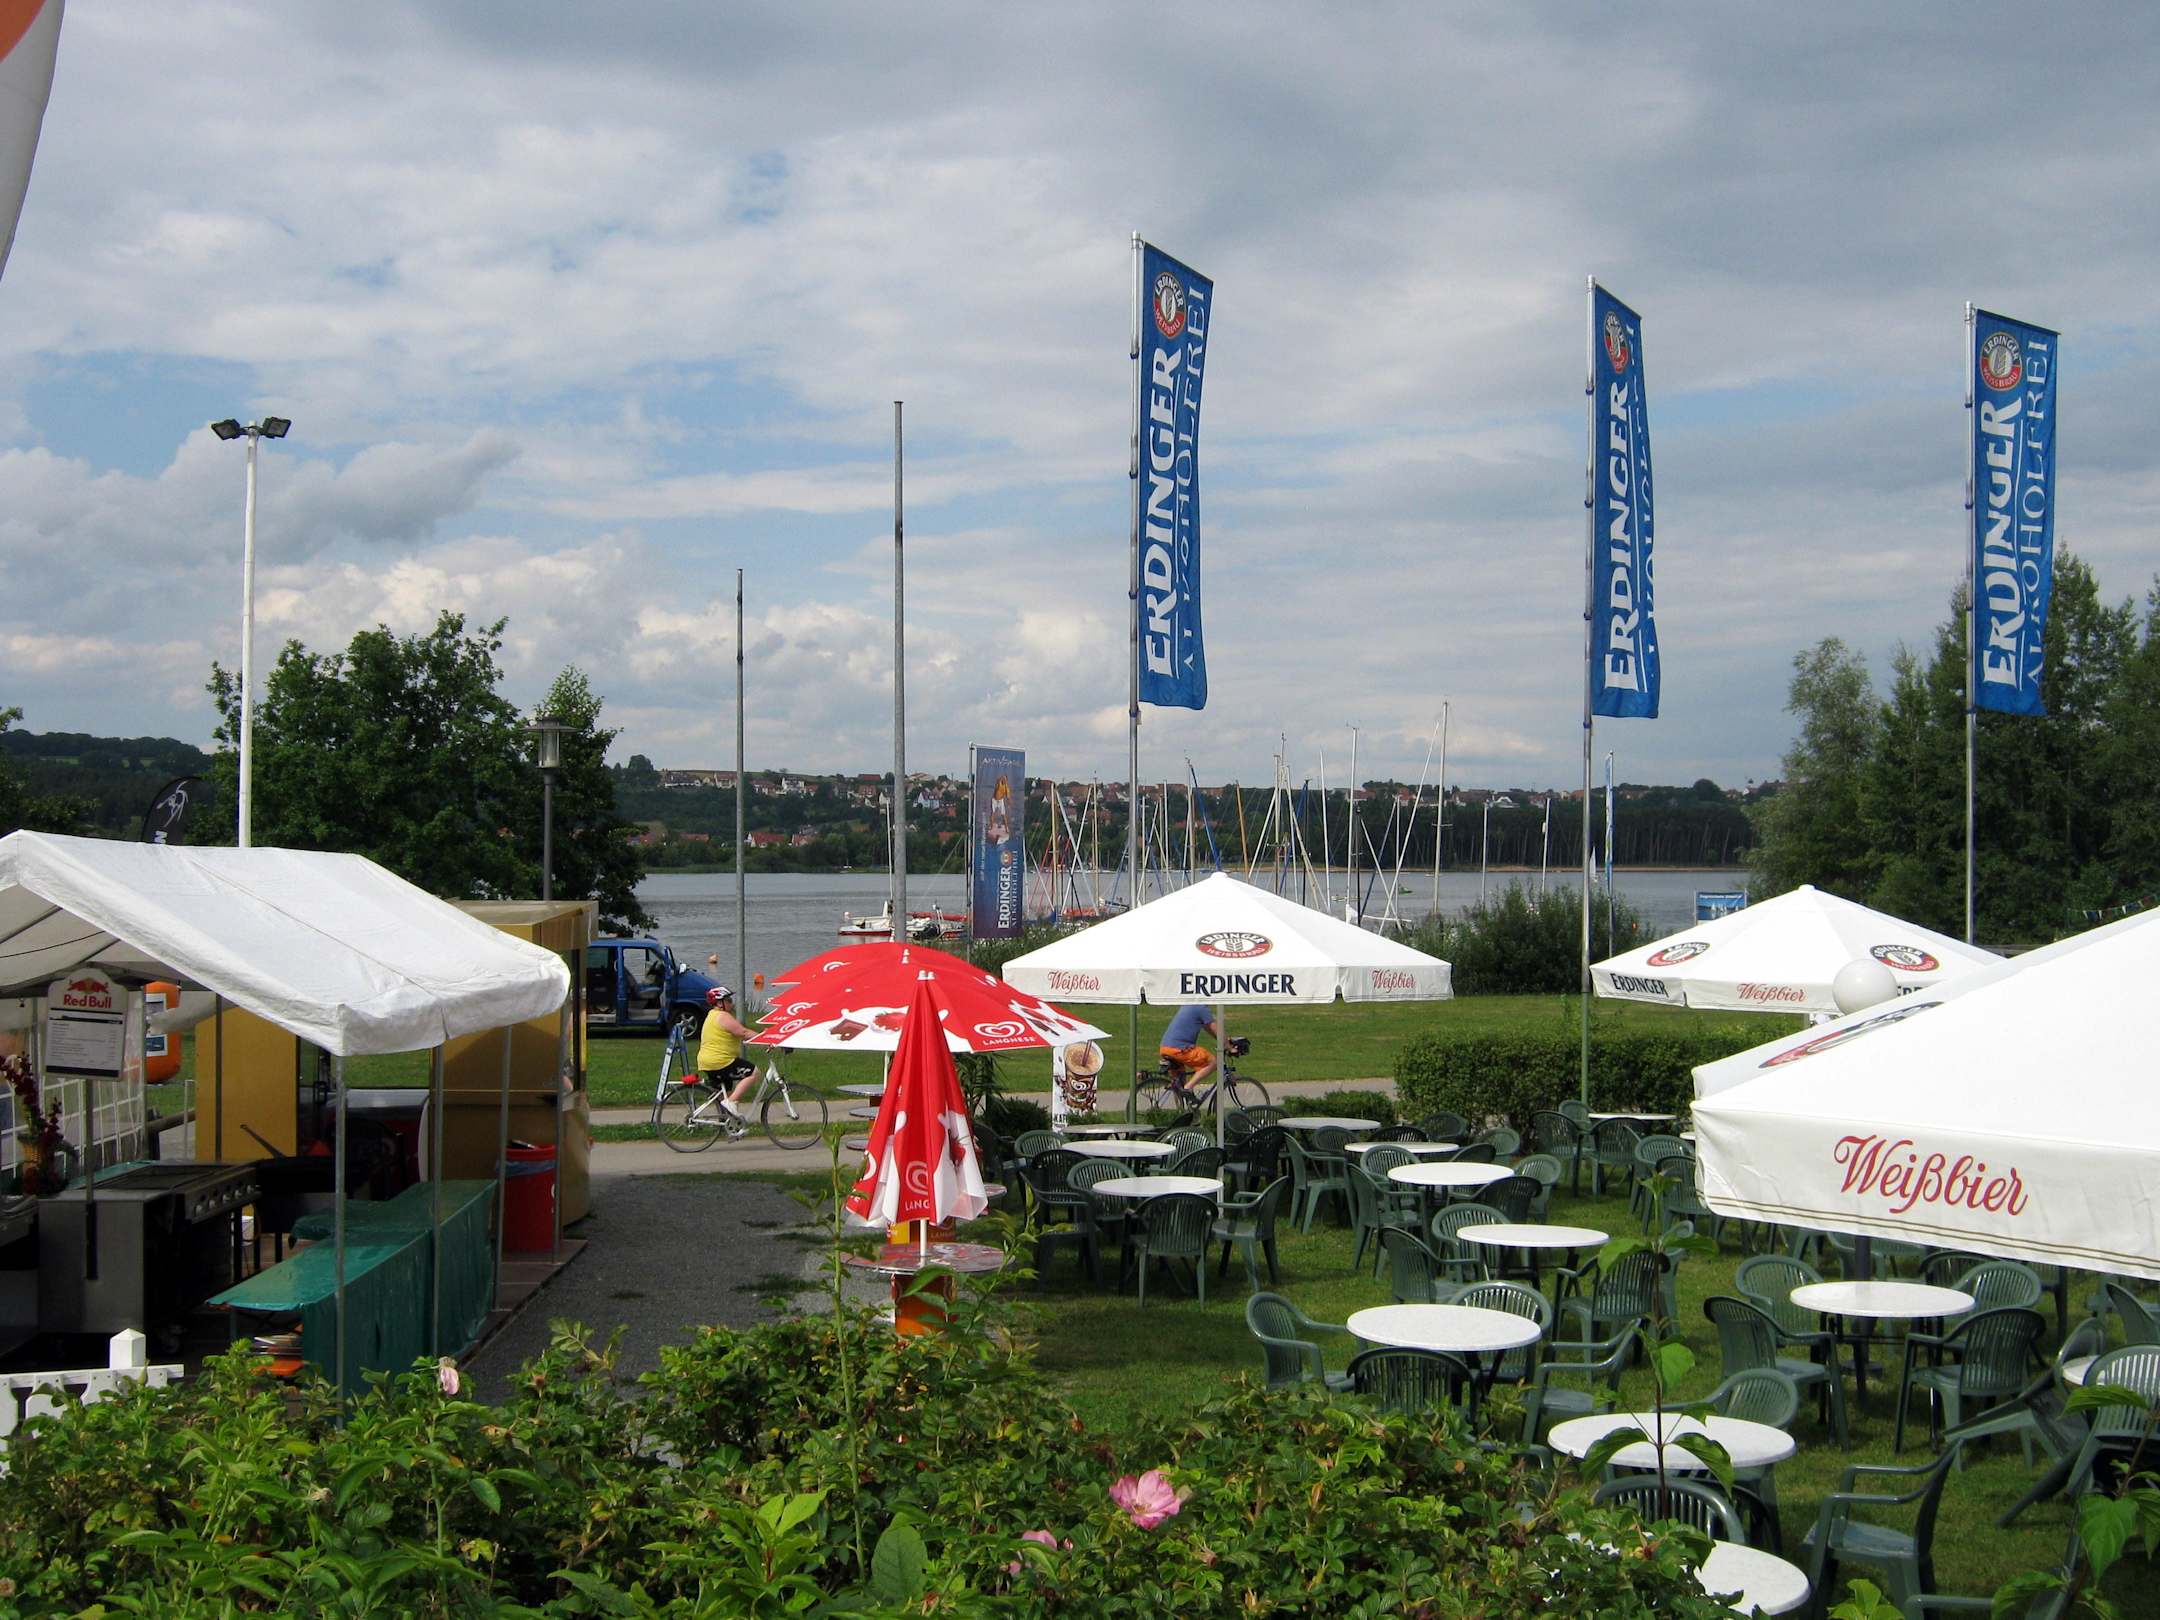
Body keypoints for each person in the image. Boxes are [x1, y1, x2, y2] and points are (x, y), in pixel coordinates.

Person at [697, 986, 758, 1121]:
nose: (731, 1002)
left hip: (707, 1062)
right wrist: (765, 1038)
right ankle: (731, 1102)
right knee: (753, 1072)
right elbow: (743, 1032)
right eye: (728, 1000)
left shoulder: (712, 1015)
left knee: (725, 1093)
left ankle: (727, 1123)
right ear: (720, 1003)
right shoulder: (722, 1016)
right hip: (721, 1061)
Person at [1158, 1002, 1217, 1096]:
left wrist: (1224, 1040)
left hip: (1165, 1048)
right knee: (1213, 1062)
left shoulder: (1188, 1005)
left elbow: (1208, 1028)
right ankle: (1188, 1087)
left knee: (1179, 1084)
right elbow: (1216, 1030)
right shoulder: (1201, 1008)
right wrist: (1229, 1046)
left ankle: (1181, 1103)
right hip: (1179, 1048)